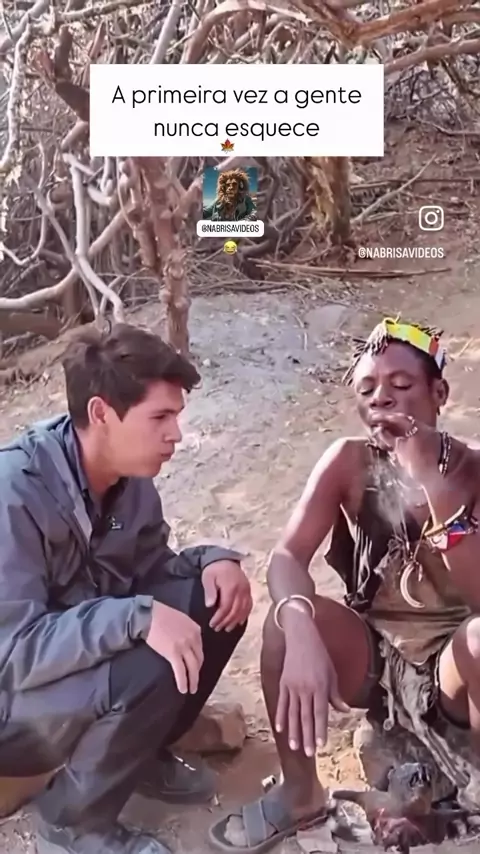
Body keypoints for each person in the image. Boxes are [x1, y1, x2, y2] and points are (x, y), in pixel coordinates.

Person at [209, 317, 480, 854]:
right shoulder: (348, 462)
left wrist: (434, 487)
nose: (382, 399)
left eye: (401, 385)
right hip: (378, 662)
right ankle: (301, 795)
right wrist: (300, 629)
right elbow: (288, 556)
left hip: (455, 672)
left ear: (439, 393)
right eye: (367, 389)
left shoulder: (472, 470)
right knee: (288, 621)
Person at [0, 323, 252, 854]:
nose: (176, 434)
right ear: (100, 413)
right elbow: (14, 652)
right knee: (151, 646)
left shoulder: (130, 480)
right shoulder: (14, 493)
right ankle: (71, 823)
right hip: (14, 707)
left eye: (176, 416)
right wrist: (134, 618)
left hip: (71, 679)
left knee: (215, 602)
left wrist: (210, 562)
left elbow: (152, 570)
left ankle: (136, 758)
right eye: (160, 417)